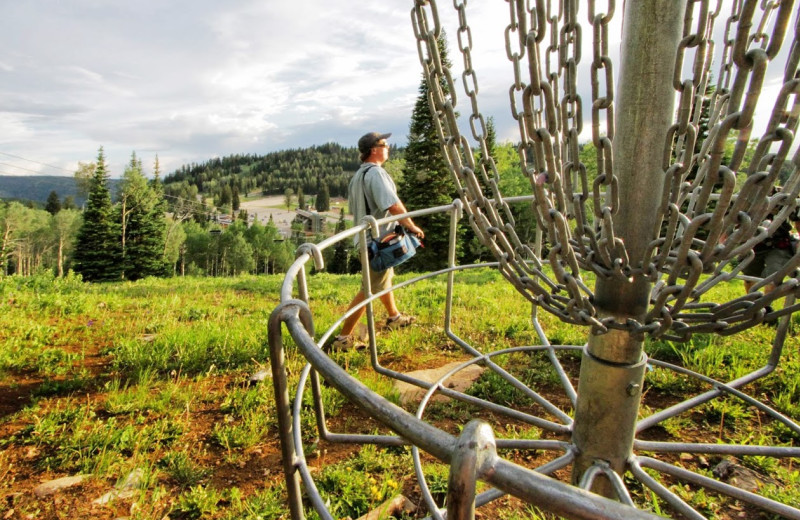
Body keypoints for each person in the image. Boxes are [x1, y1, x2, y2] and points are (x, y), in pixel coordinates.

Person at [328, 132, 425, 350]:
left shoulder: (358, 176)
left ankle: (394, 317)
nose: (388, 147)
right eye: (385, 144)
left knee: (383, 280)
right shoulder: (376, 174)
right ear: (374, 149)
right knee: (368, 289)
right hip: (378, 244)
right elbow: (393, 205)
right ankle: (343, 339)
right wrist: (411, 226)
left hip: (367, 241)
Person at [740, 195, 800, 304]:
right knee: (749, 275)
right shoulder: (746, 197)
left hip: (778, 244)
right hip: (754, 244)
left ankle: (764, 306)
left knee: (773, 276)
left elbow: (797, 219)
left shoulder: (782, 196)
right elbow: (730, 218)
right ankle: (752, 303)